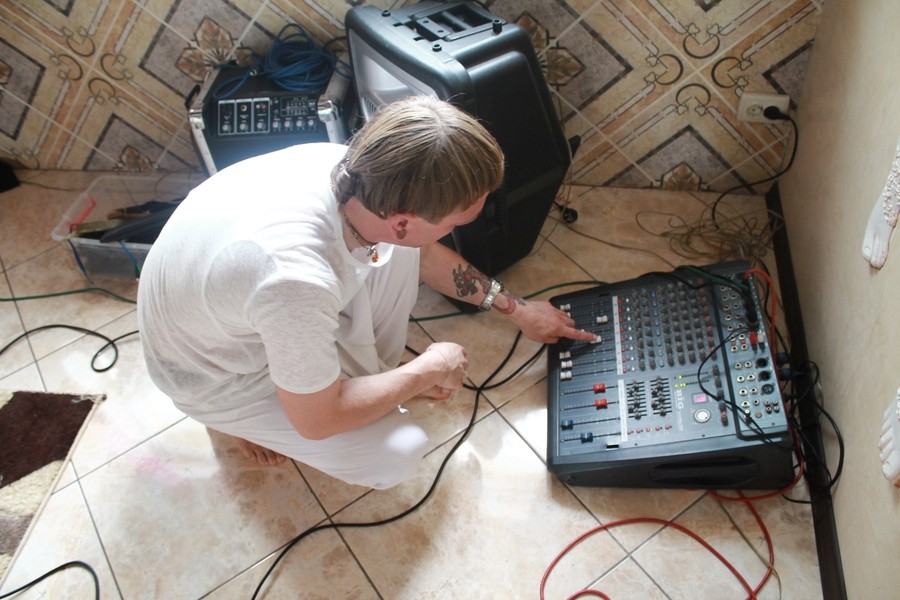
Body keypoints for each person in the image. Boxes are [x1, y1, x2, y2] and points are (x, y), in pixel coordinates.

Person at [137, 96, 596, 489]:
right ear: (401, 221)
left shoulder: (352, 171)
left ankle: (356, 382)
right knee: (397, 453)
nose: (458, 230)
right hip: (217, 377)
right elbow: (317, 422)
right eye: (456, 222)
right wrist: (428, 368)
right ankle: (237, 421)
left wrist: (517, 310)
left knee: (399, 257)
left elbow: (420, 251)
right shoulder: (294, 280)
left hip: (230, 311)